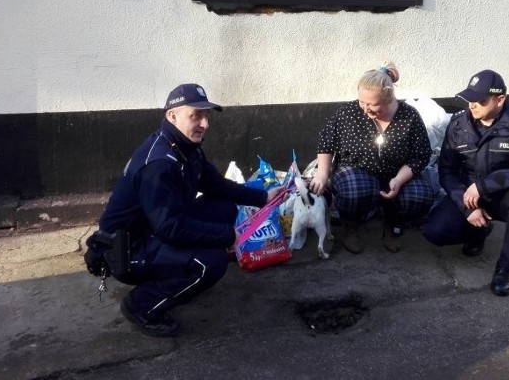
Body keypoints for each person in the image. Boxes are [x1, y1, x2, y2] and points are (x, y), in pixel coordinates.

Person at [89, 83, 284, 337]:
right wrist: (227, 237)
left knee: (224, 209)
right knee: (210, 263)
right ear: (173, 116)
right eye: (196, 116)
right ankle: (141, 305)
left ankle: (178, 276)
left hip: (154, 230)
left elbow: (215, 186)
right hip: (127, 251)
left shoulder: (184, 147)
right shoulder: (159, 163)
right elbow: (170, 228)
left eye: (207, 116)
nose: (205, 124)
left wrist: (263, 197)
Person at [423, 69, 509, 296]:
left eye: (480, 100)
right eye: (469, 98)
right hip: (469, 193)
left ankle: (506, 268)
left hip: (506, 192)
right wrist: (465, 205)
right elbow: (447, 171)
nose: (473, 105)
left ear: (500, 100)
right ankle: (478, 232)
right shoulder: (459, 123)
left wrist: (486, 185)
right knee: (435, 232)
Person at [309, 63, 435, 254]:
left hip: (396, 172)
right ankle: (351, 226)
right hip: (357, 169)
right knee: (354, 190)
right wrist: (322, 175)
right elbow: (327, 142)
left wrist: (399, 180)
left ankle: (393, 225)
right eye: (362, 102)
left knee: (419, 196)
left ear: (389, 99)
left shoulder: (409, 116)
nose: (366, 109)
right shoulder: (348, 113)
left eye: (373, 105)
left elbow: (420, 155)